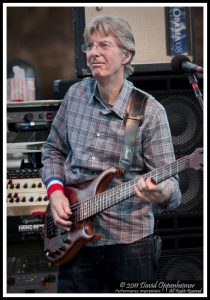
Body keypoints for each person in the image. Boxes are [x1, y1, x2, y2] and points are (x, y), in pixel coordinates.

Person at [40, 14, 182, 293]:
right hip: (72, 239)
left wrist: (160, 193)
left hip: (130, 245)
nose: (93, 53)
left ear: (126, 55)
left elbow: (173, 190)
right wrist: (56, 192)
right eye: (89, 47)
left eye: (103, 45)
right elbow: (52, 150)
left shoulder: (150, 112)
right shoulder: (75, 96)